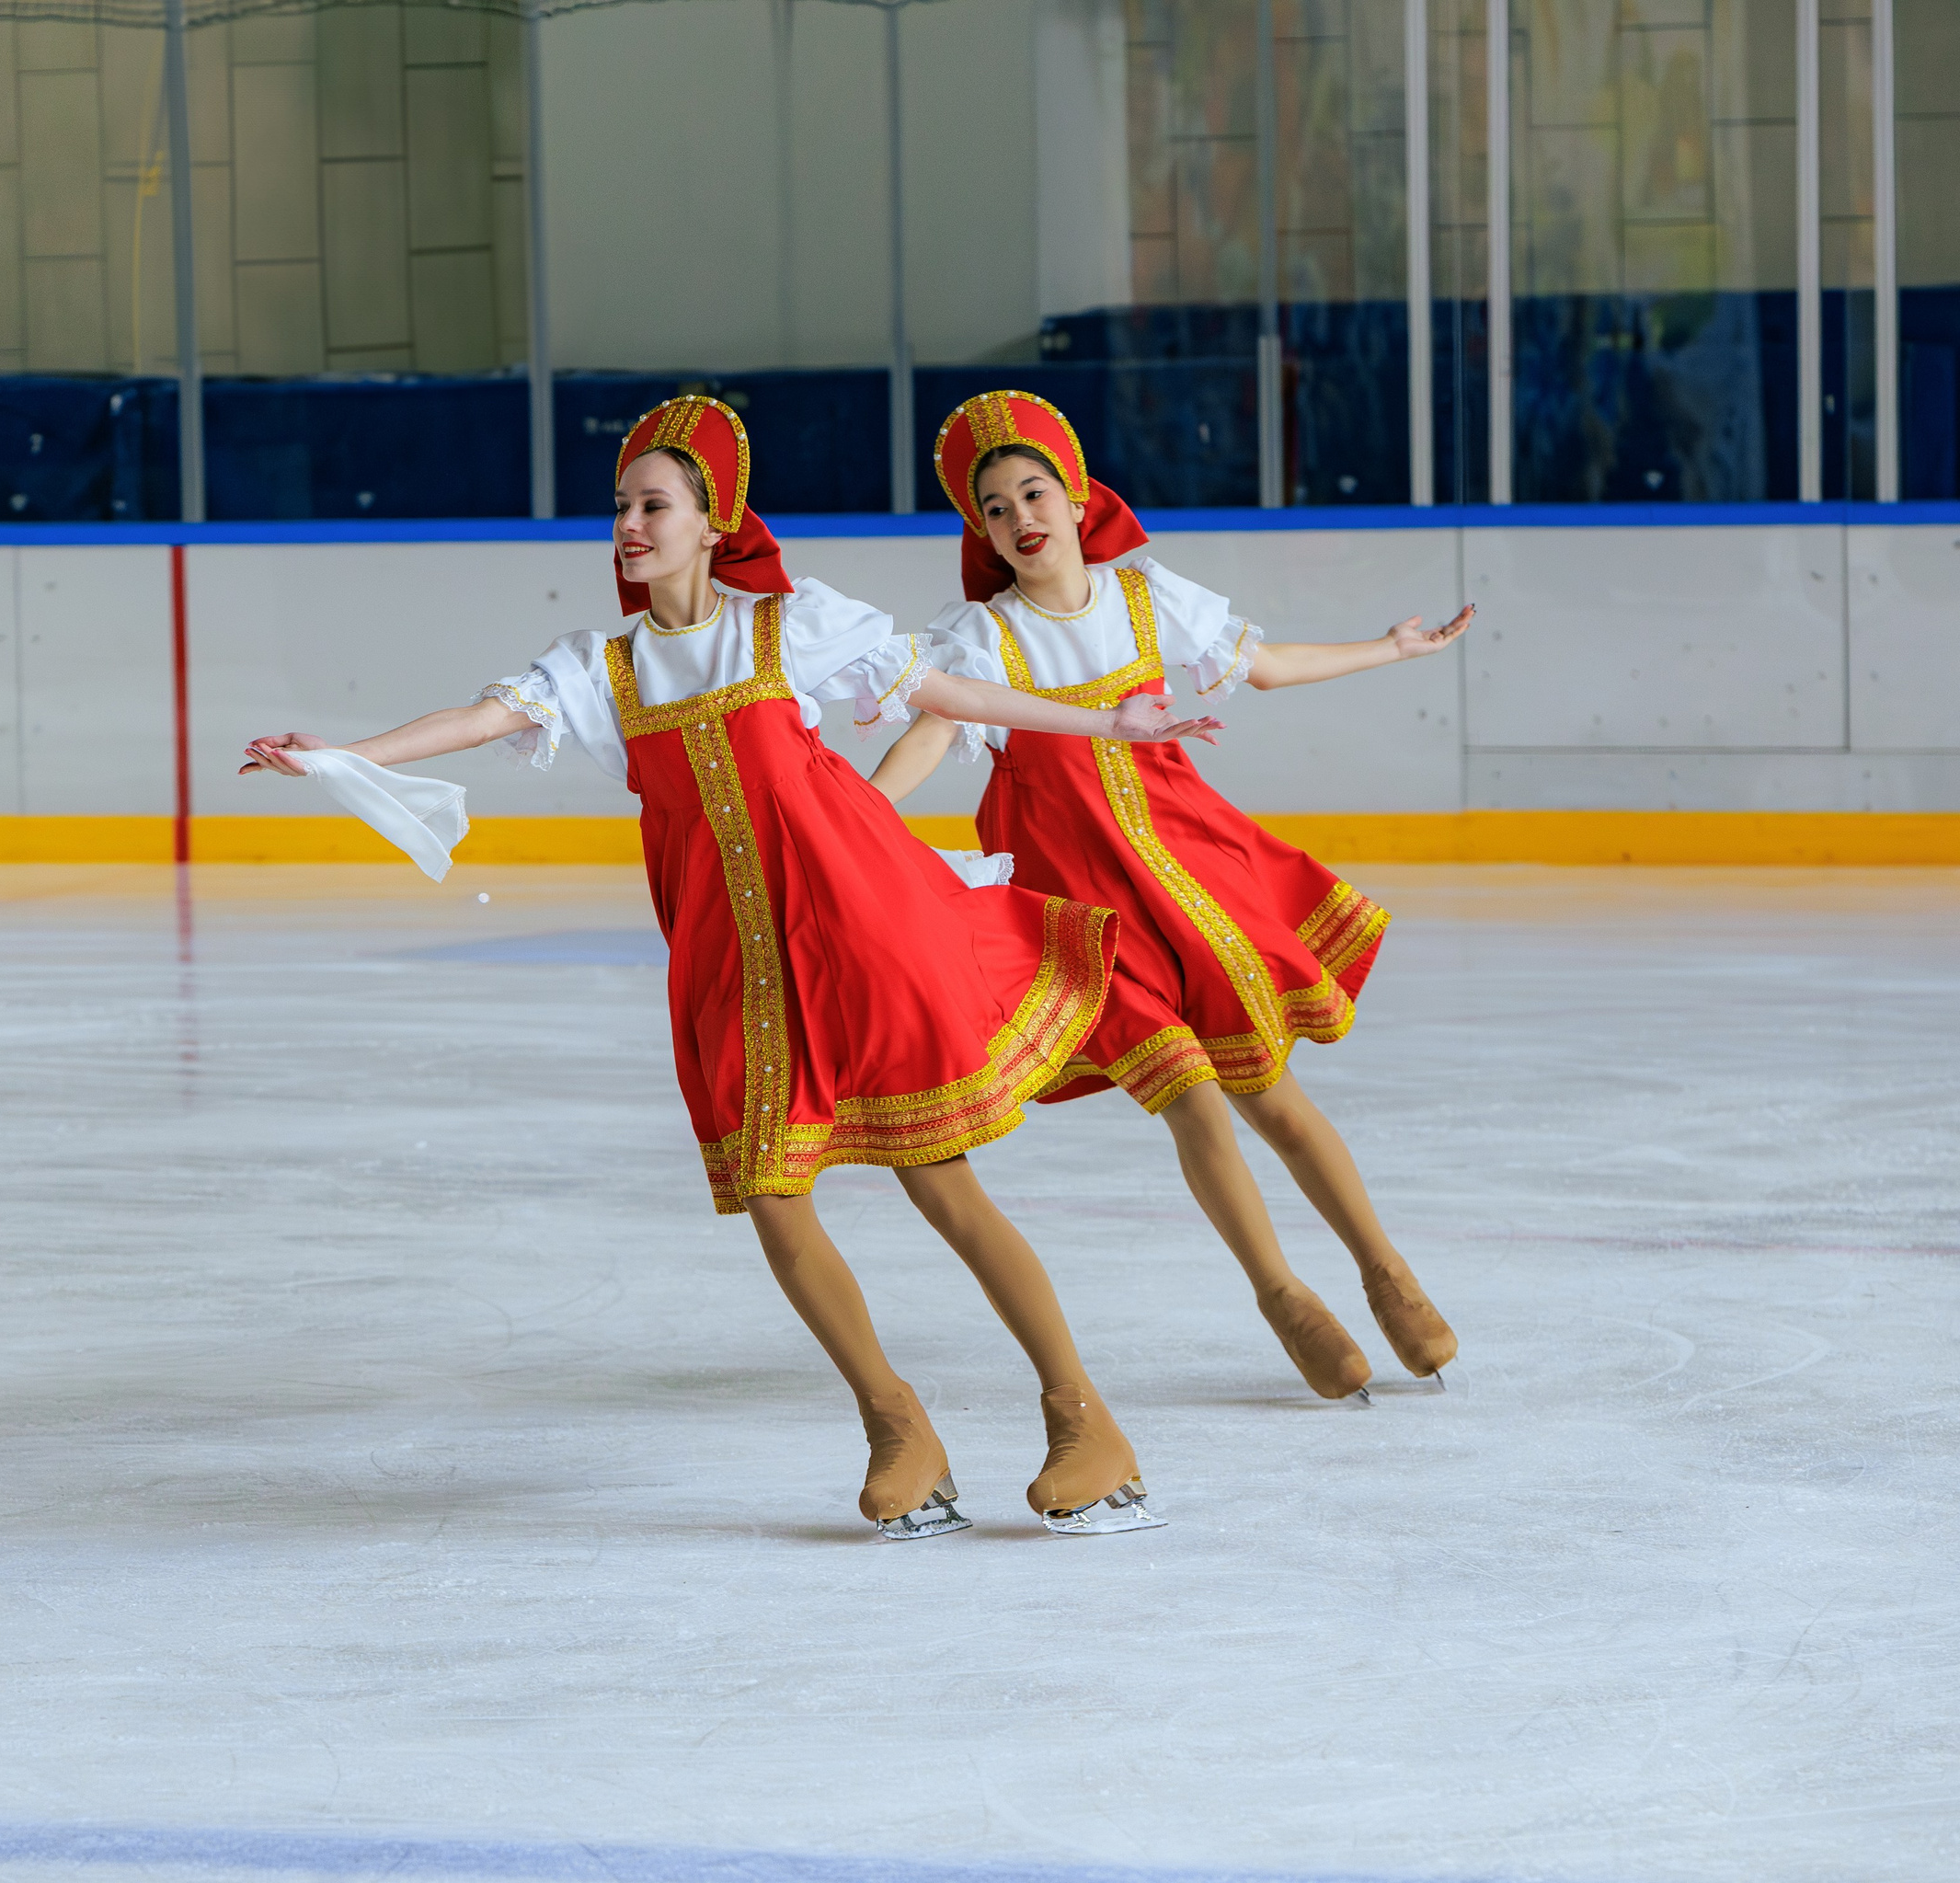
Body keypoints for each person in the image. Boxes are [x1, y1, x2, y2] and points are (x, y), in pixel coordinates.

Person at [243, 395, 1219, 1535]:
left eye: (654, 504)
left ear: (714, 523)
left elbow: (935, 691)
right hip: (730, 965)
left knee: (941, 1182)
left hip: (860, 936)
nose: (629, 524)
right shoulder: (599, 667)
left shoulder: (789, 627)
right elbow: (470, 719)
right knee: (772, 1192)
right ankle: (895, 1423)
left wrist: (1102, 726)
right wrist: (339, 757)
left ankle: (1082, 1419)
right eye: (620, 506)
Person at [870, 389, 1471, 1400]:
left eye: (1033, 491)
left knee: (1269, 1091)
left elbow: (1266, 669)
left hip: (1188, 877)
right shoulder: (979, 641)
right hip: (1086, 916)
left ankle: (1385, 1271)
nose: (1020, 517)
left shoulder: (1146, 598)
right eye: (994, 507)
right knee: (1190, 1096)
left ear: (1074, 495)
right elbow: (929, 732)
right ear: (979, 530)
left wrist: (1389, 649)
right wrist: (854, 817)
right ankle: (1283, 1295)